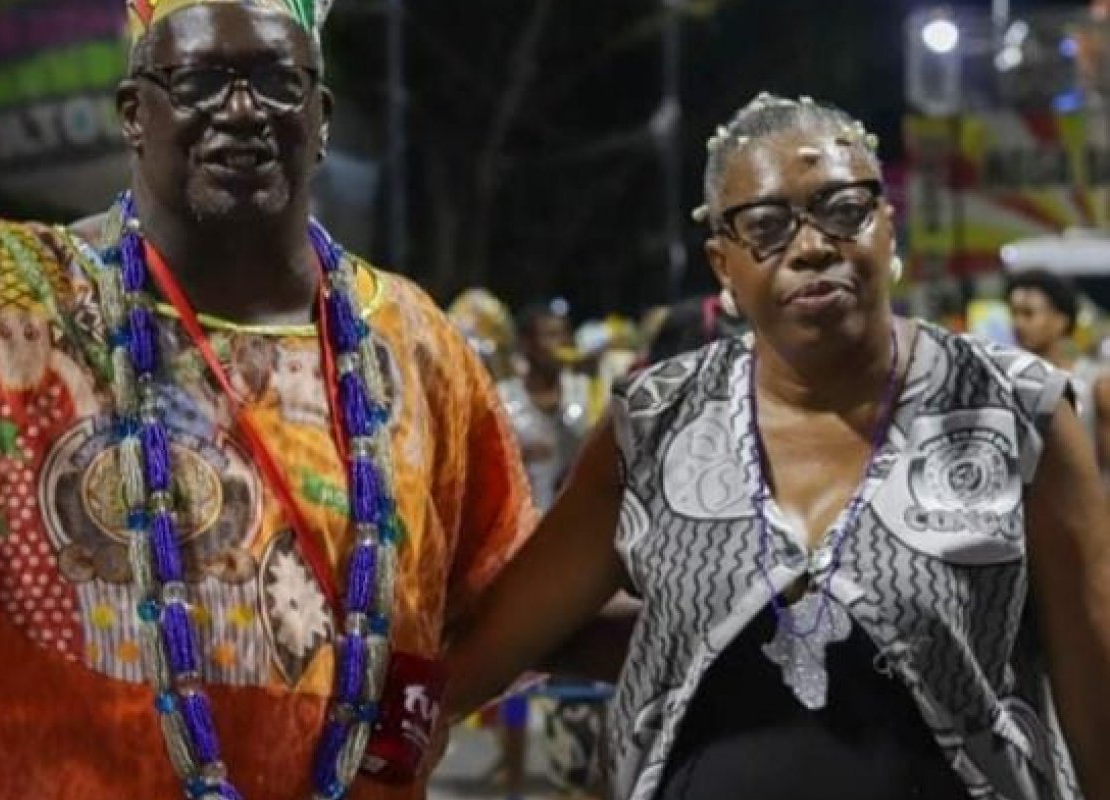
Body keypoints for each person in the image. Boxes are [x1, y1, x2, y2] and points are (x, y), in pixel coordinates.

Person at [0, 2, 535, 799]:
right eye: (201, 80)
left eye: (277, 81)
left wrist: (399, 744)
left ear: (322, 118)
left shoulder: (410, 344)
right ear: (134, 114)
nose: (241, 111)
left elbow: (494, 603)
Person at [445, 92, 1110, 800]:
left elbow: (1095, 691)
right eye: (766, 225)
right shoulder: (656, 422)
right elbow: (501, 642)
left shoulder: (1016, 409)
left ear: (889, 228)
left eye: (844, 209)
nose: (813, 245)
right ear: (723, 266)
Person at [1006, 268, 1110, 477]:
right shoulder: (1006, 382)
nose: (1019, 323)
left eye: (1029, 313)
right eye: (1014, 313)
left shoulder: (1094, 383)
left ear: (1061, 320)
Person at [498, 302, 594, 511]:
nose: (561, 344)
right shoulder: (502, 399)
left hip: (571, 521)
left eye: (564, 335)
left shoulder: (585, 392)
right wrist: (519, 454)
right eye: (550, 336)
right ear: (526, 345)